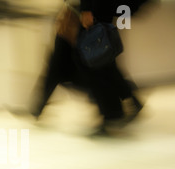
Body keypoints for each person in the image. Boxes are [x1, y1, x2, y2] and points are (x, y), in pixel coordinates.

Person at [30, 0, 144, 134]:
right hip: (79, 9)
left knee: (94, 61)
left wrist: (86, 10)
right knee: (92, 60)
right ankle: (120, 107)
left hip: (89, 10)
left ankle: (114, 113)